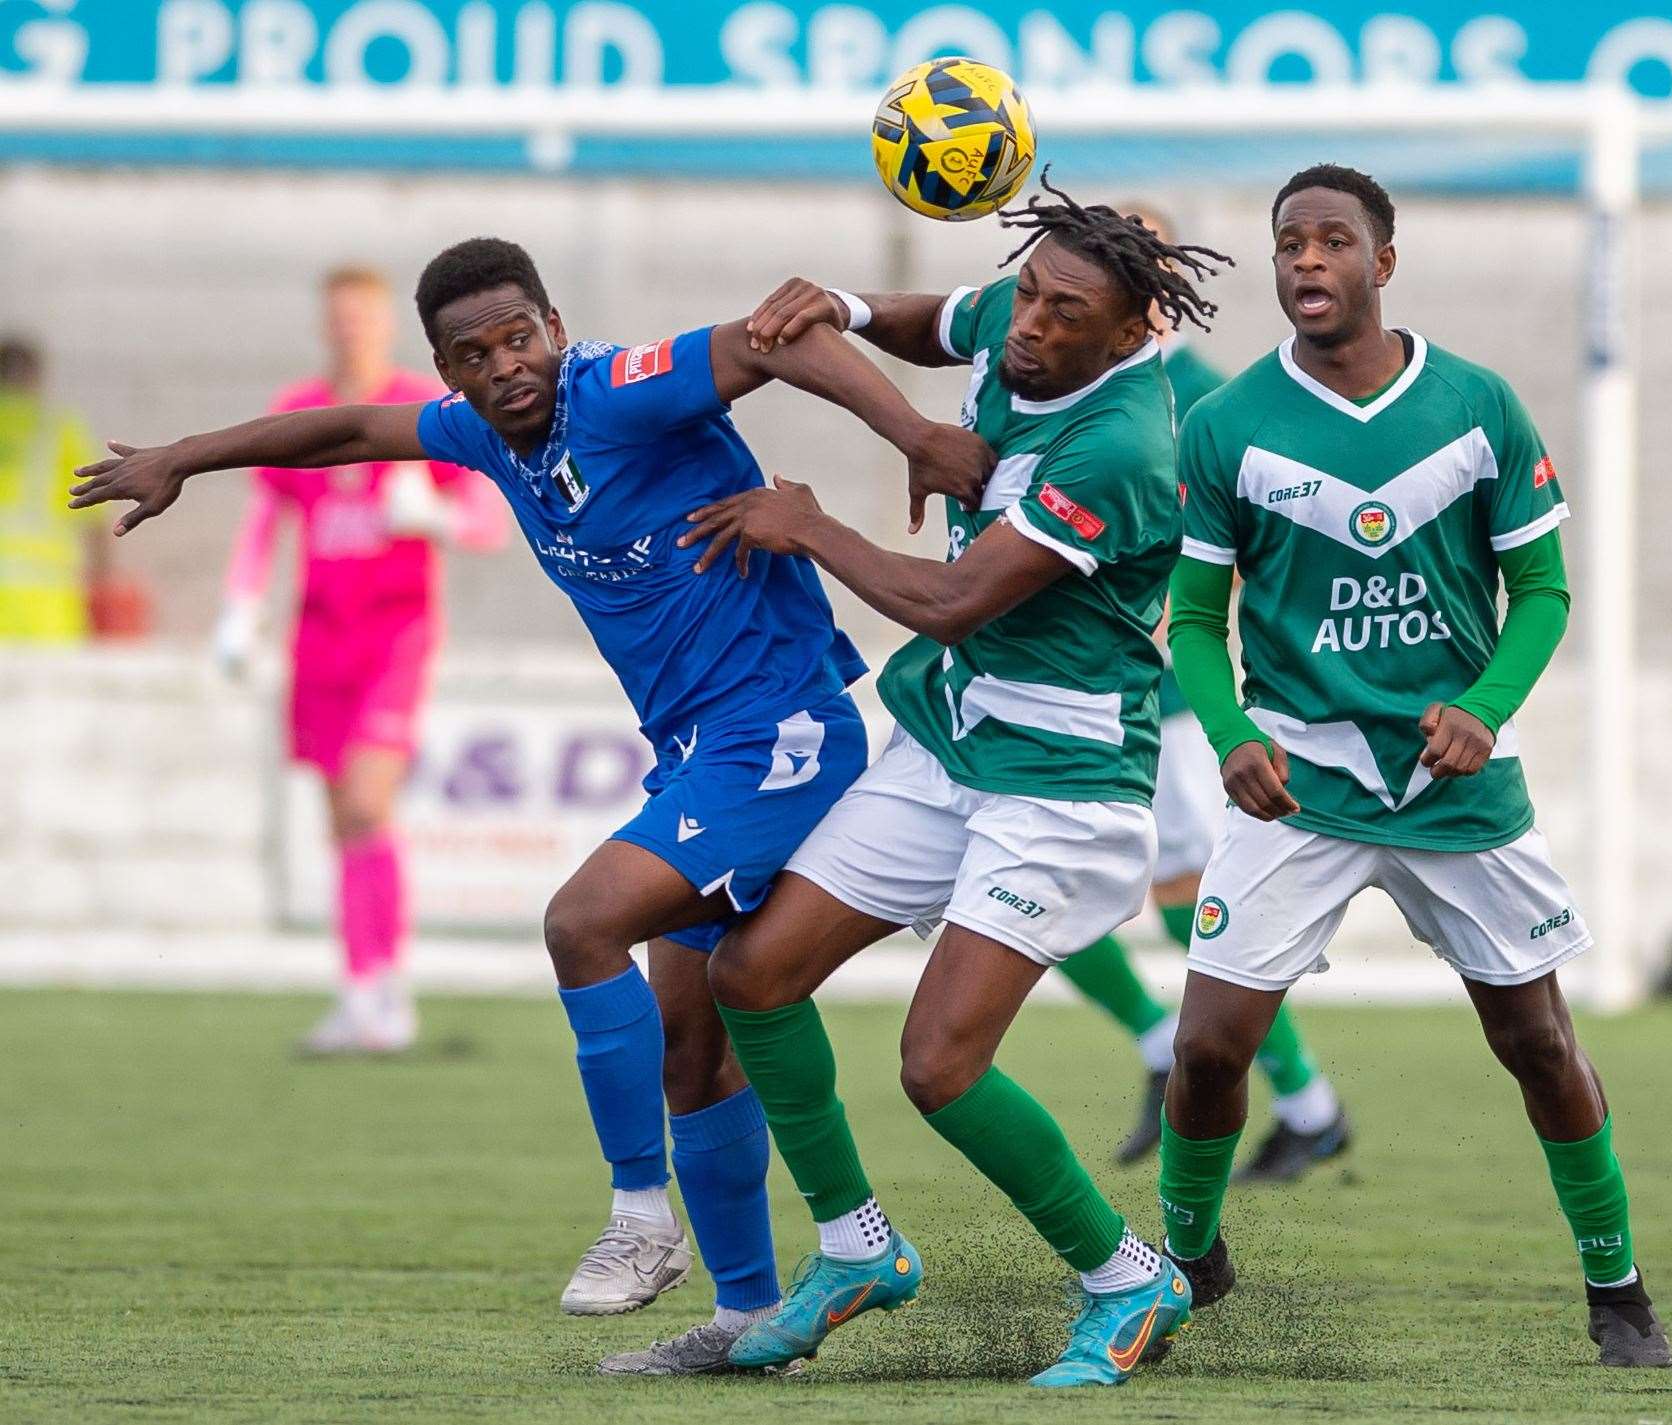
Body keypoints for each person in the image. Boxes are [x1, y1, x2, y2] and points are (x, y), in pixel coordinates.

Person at [68, 236, 993, 1375]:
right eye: (474, 353)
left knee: (582, 922)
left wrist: (916, 435)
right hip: (698, 750)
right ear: (447, 375)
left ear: (556, 326)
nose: (506, 365)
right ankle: (756, 1321)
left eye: (520, 337)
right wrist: (185, 458)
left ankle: (639, 1216)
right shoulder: (482, 434)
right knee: (693, 1054)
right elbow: (353, 430)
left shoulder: (616, 390)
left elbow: (781, 336)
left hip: (783, 731)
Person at [690, 176, 1231, 1387]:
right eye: (1028, 294)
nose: (1030, 326)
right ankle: (854, 1249)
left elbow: (949, 598)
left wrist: (811, 526)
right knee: (753, 974)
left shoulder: (1125, 444)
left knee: (938, 1064)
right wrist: (835, 297)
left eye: (1062, 313)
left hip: (1061, 780)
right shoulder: (1020, 318)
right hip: (946, 744)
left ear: (1133, 330)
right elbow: (926, 319)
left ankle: (1127, 1279)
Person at [1155, 165, 1672, 1368]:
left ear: (1384, 263)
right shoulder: (1227, 424)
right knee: (1206, 1049)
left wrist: (1485, 708)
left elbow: (1540, 590)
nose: (1308, 262)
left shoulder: (1476, 404)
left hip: (1457, 786)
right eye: (1290, 243)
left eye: (1334, 242)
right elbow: (1190, 617)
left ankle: (1617, 1287)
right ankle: (1185, 1259)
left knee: (1537, 1045)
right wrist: (1231, 730)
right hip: (1301, 781)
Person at [1062, 205, 1352, 1179]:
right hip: (1065, 688)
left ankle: (1301, 1100)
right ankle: (1225, 1071)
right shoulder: (1071, 381)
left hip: (1162, 699)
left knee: (1188, 898)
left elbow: (1239, 549)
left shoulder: (1204, 403)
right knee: (1041, 884)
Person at [214, 266, 507, 1056]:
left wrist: (434, 516)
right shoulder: (300, 413)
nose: (350, 329)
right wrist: (241, 609)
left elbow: (489, 519)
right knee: (342, 817)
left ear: (387, 325)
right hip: (318, 638)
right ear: (325, 324)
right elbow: (263, 519)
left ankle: (388, 992)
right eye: (338, 316)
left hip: (395, 634)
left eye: (364, 317)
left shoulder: (426, 408)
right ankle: (361, 992)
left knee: (369, 801)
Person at [0, 336, 109, 642]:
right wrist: (102, 582)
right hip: (46, 597)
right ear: (36, 377)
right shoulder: (57, 429)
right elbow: (95, 515)